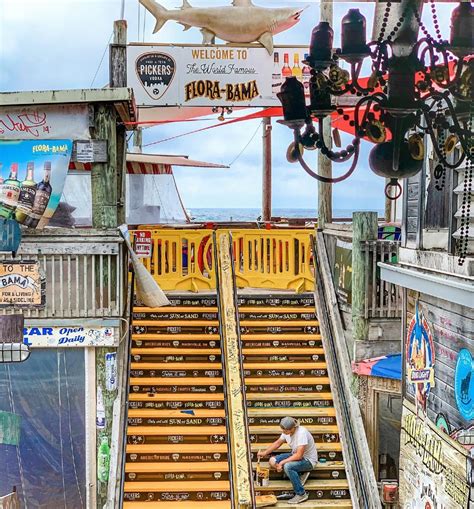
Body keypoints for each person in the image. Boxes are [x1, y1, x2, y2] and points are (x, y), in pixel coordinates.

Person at [257, 416, 318, 504]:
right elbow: (278, 443)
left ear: (293, 428)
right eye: (282, 430)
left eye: (285, 430)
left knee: (288, 466)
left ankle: (301, 494)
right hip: (295, 454)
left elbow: (299, 456)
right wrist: (264, 453)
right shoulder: (286, 432)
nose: (283, 432)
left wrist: (282, 462)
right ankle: (299, 474)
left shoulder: (302, 433)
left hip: (308, 460)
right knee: (272, 460)